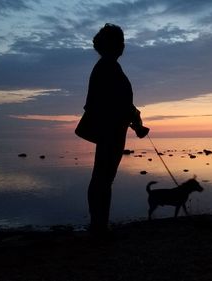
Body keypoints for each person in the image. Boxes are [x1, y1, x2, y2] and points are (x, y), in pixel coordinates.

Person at [82, 23, 149, 236]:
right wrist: (133, 117)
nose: (123, 45)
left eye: (123, 41)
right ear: (112, 45)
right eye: (120, 41)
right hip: (110, 131)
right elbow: (113, 103)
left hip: (112, 129)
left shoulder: (108, 66)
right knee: (103, 178)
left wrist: (134, 118)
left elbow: (119, 103)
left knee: (103, 178)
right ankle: (99, 227)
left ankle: (100, 225)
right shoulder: (107, 67)